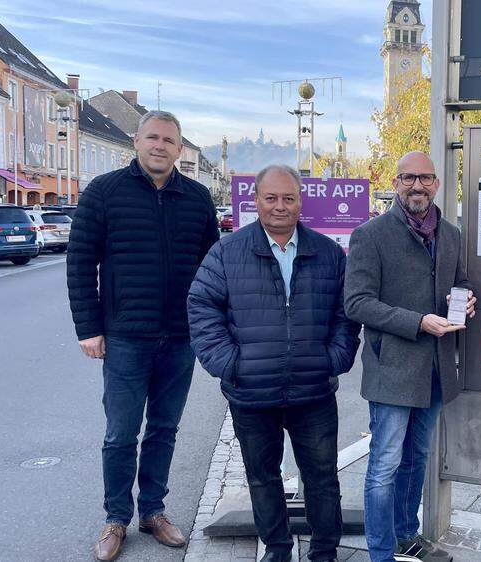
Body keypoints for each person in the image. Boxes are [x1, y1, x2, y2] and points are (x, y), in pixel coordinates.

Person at [67, 110, 220, 561]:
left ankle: (153, 511)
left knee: (164, 430)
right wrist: (89, 328)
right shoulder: (104, 192)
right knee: (120, 433)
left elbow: (212, 268)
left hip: (180, 337)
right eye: (152, 137)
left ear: (179, 149)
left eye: (169, 141)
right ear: (137, 141)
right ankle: (116, 517)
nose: (160, 146)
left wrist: (211, 324)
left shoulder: (196, 198)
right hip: (125, 337)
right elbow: (79, 264)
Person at [188, 165, 361, 562]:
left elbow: (346, 314)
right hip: (251, 392)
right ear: (256, 201)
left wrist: (333, 358)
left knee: (321, 478)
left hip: (313, 390)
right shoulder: (227, 252)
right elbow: (201, 307)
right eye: (271, 198)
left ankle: (324, 552)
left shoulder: (329, 253)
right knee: (263, 478)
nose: (280, 206)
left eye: (288, 198)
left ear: (301, 202)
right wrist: (231, 363)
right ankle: (278, 549)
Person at [345, 151, 475, 562]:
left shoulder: (451, 233)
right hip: (393, 370)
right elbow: (357, 303)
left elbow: (461, 281)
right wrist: (418, 321)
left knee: (417, 457)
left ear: (437, 184)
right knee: (385, 464)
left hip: (437, 369)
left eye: (425, 178)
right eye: (408, 178)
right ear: (396, 183)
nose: (417, 186)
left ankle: (406, 534)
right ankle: (381, 551)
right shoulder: (371, 234)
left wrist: (467, 300)